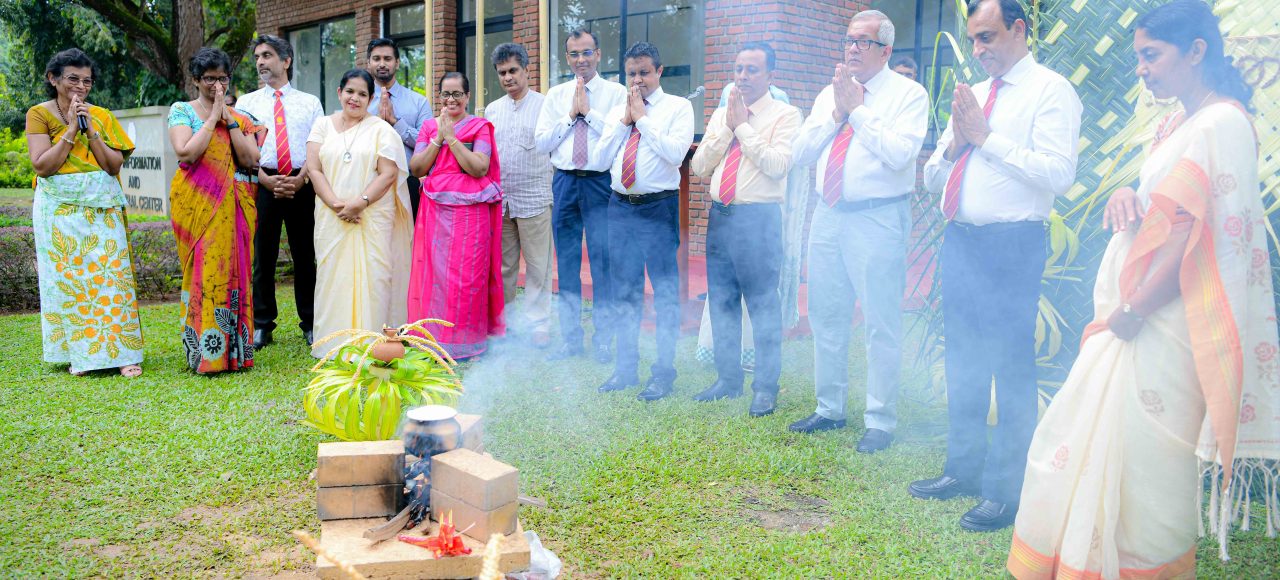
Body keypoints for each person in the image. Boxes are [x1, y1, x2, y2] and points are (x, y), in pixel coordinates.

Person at [1008, 1, 1279, 576]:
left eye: (1151, 55)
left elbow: (1197, 237)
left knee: (1149, 466)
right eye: (1138, 57)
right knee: (1090, 442)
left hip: (1165, 319)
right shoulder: (1174, 124)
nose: (1141, 69)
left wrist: (1134, 310)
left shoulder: (1223, 124)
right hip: (1135, 313)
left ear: (1196, 51)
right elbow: (1157, 204)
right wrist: (1123, 196)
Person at [914, 0, 1082, 532]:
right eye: (973, 39)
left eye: (986, 37)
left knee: (1010, 368)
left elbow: (1059, 174)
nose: (977, 49)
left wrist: (986, 139)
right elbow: (932, 179)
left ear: (1018, 29)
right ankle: (962, 470)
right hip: (961, 241)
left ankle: (1007, 490)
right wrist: (958, 144)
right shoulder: (975, 96)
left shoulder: (1050, 90)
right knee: (963, 360)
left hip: (1012, 245)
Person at [790, 10, 929, 451]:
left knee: (880, 320)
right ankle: (829, 408)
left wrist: (858, 111)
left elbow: (900, 155)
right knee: (826, 315)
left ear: (885, 50)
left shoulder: (909, 95)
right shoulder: (828, 94)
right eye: (849, 40)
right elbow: (800, 153)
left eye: (862, 42)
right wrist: (837, 112)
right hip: (828, 213)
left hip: (878, 217)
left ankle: (880, 420)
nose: (852, 48)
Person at [690, 41, 801, 418]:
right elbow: (700, 167)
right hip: (721, 218)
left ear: (771, 75)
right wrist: (728, 126)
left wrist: (743, 127)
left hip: (759, 220)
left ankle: (766, 388)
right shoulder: (723, 114)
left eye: (752, 69)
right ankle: (728, 379)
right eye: (738, 69)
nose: (742, 76)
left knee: (763, 306)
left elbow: (777, 165)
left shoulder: (786, 115)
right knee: (722, 301)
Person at [26, 48, 143, 378]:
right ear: (53, 79)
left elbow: (113, 165)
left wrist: (90, 129)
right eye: (73, 79)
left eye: (87, 81)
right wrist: (70, 131)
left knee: (112, 277)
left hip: (101, 205)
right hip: (58, 209)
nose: (80, 86)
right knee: (69, 281)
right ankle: (80, 354)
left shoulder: (101, 116)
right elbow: (42, 166)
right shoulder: (39, 114)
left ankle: (122, 354)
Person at [593, 42, 695, 401]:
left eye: (644, 73)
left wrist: (643, 120)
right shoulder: (617, 113)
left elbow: (675, 154)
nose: (638, 80)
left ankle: (664, 373)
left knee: (665, 291)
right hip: (620, 208)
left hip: (658, 208)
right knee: (624, 291)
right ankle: (625, 369)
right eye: (632, 74)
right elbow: (599, 159)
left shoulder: (678, 108)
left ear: (659, 71)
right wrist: (625, 120)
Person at [167, 48, 266, 374]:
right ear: (196, 80)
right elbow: (186, 152)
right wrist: (213, 118)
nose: (217, 85)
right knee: (204, 274)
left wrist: (229, 120)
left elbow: (250, 159)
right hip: (199, 206)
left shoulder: (240, 117)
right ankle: (206, 355)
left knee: (236, 272)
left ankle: (235, 354)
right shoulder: (182, 111)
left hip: (234, 207)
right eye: (209, 79)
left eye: (222, 78)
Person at [535, 28, 628, 364]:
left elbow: (619, 136)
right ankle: (571, 339)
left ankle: (603, 340)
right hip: (564, 183)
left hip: (600, 183)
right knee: (567, 263)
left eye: (587, 52)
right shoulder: (556, 95)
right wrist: (570, 115)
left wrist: (589, 113)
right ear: (567, 57)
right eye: (574, 54)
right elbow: (542, 142)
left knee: (603, 263)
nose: (581, 60)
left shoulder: (616, 93)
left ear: (598, 54)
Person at [307, 69, 413, 358]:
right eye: (350, 91)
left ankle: (372, 342)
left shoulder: (381, 130)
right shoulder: (322, 125)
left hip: (371, 216)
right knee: (333, 277)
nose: (355, 98)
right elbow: (314, 169)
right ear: (339, 92)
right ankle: (333, 344)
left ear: (371, 98)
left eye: (362, 94)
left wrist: (360, 202)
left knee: (374, 278)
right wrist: (337, 205)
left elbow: (388, 173)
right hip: (331, 217)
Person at [407, 72, 505, 359]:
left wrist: (451, 139)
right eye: (446, 94)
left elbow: (479, 167)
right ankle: (435, 339)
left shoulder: (479, 127)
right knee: (435, 276)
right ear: (439, 97)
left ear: (468, 96)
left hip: (471, 215)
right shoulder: (429, 127)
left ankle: (466, 341)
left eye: (457, 94)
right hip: (436, 212)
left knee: (468, 277)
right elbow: (417, 168)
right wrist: (439, 137)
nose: (451, 99)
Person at [238, 35, 324, 350]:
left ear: (286, 61)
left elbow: (318, 147)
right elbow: (241, 149)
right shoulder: (246, 104)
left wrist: (301, 179)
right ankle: (263, 325)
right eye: (258, 57)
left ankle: (311, 323)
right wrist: (265, 179)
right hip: (262, 182)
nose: (261, 62)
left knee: (306, 256)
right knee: (263, 257)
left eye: (267, 55)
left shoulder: (310, 102)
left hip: (302, 182)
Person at [487, 42, 555, 349]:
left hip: (535, 197)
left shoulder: (545, 105)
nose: (508, 77)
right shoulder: (492, 110)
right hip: (502, 201)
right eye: (502, 73)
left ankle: (539, 325)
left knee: (539, 266)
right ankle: (506, 323)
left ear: (527, 70)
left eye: (513, 70)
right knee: (505, 267)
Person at [366, 38, 433, 218]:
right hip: (368, 183)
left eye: (387, 59)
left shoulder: (418, 102)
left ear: (397, 63)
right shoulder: (360, 102)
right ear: (368, 63)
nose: (382, 63)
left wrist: (396, 122)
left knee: (410, 235)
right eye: (376, 58)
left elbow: (429, 145)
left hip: (409, 183)